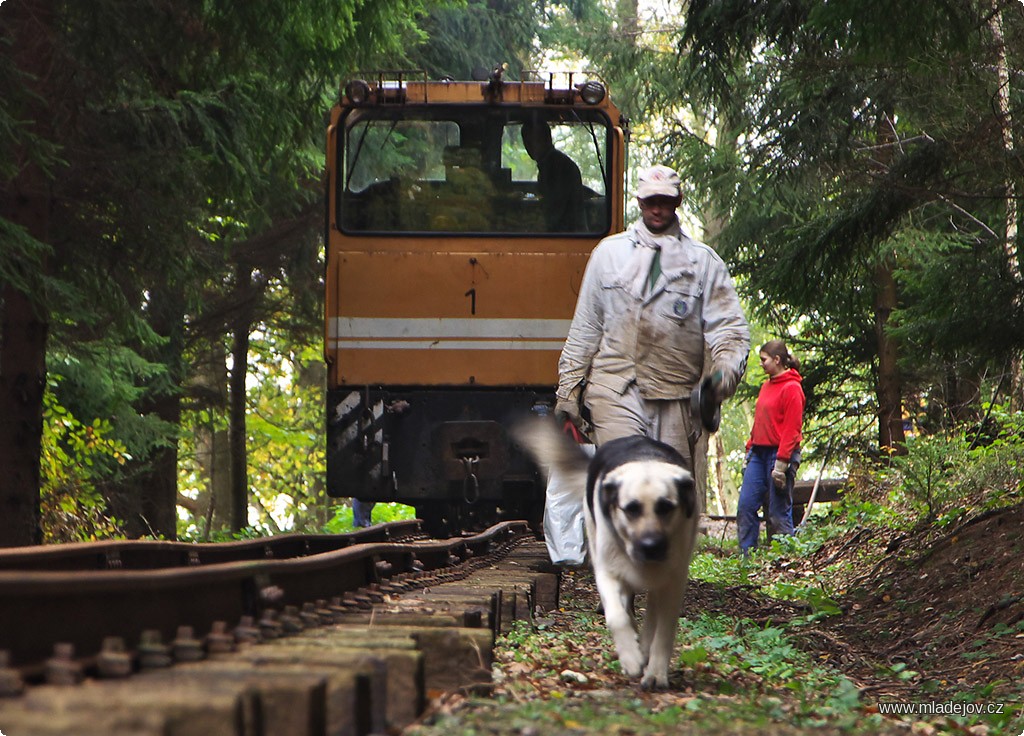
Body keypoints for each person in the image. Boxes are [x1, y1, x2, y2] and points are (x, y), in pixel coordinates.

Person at [554, 163, 750, 479]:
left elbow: (730, 330)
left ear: (678, 201)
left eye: (665, 201)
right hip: (614, 389)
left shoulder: (703, 263)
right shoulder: (608, 254)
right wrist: (568, 391)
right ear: (639, 202)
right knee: (627, 482)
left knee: (667, 494)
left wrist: (722, 376)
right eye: (650, 201)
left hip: (675, 398)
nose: (657, 209)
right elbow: (586, 327)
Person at [736, 339, 805, 554]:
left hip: (780, 455)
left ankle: (788, 559)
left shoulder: (792, 388)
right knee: (746, 506)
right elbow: (760, 422)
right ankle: (747, 558)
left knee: (777, 512)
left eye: (764, 360)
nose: (761, 364)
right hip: (758, 453)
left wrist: (782, 464)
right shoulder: (766, 386)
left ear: (777, 360)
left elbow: (792, 430)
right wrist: (749, 449)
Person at [521, 119, 584, 232]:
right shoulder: (548, 163)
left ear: (547, 139)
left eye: (534, 140)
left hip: (566, 234)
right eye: (526, 142)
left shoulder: (558, 166)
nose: (529, 147)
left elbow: (555, 208)